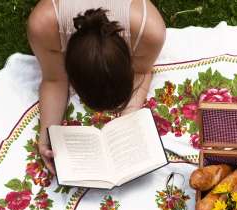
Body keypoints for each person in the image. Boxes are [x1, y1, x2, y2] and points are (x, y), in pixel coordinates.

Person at [27, 0, 166, 174]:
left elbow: (143, 72)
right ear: (67, 66)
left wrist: (127, 120)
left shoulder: (150, 31)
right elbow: (55, 79)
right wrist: (47, 135)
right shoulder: (42, 25)